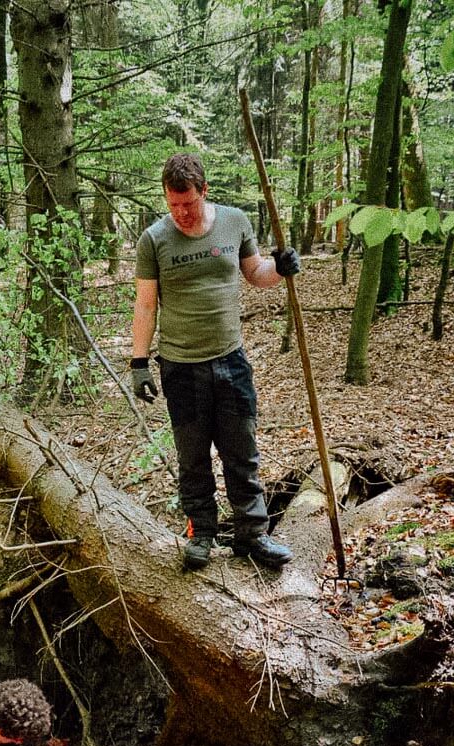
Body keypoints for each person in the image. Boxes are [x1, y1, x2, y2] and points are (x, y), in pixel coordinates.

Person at [131, 152, 301, 571]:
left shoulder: (234, 222)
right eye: (173, 205)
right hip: (181, 366)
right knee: (192, 457)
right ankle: (201, 533)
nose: (182, 213)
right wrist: (138, 362)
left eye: (188, 203)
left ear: (204, 191)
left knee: (241, 451)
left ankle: (253, 536)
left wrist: (280, 268)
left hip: (231, 360)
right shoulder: (154, 239)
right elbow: (146, 304)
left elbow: (255, 272)